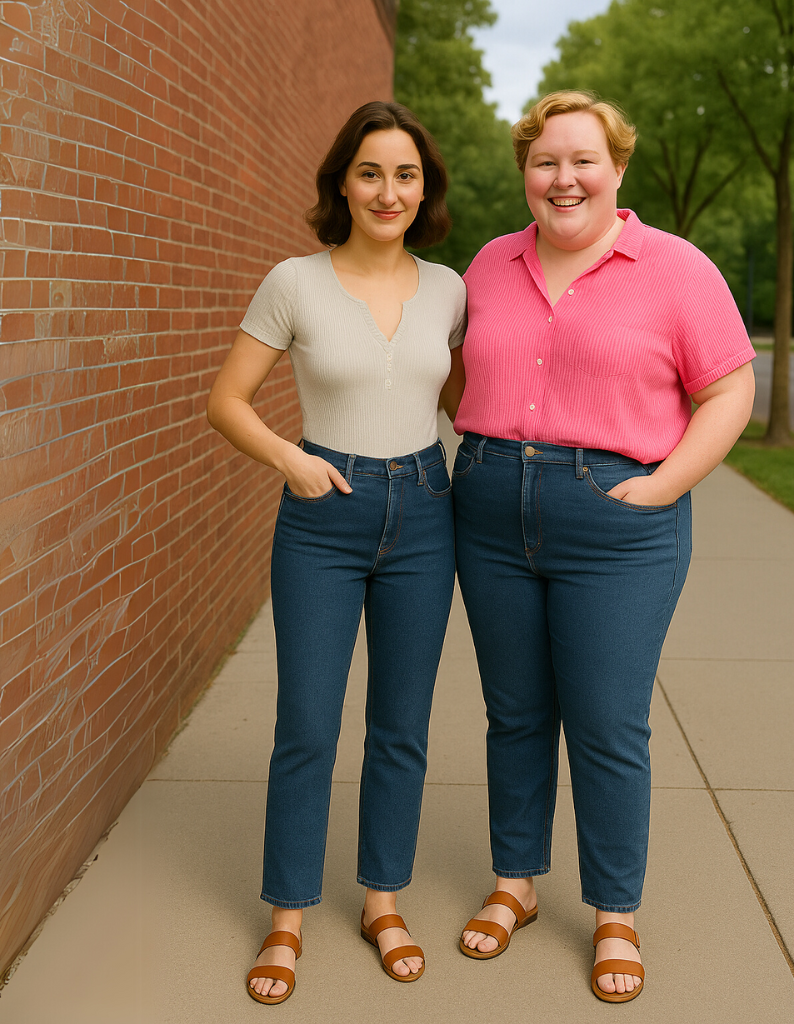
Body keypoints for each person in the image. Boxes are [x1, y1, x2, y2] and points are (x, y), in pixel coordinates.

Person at [452, 91, 756, 1003]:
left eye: (583, 160)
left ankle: (615, 911)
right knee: (513, 711)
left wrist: (663, 486)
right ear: (525, 173)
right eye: (545, 162)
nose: (564, 178)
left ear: (618, 169)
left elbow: (731, 391)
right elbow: (461, 372)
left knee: (606, 721)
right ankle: (516, 884)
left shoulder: (675, 268)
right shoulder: (489, 264)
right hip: (492, 506)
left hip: (617, 517)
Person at [207, 101, 467, 1004]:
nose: (388, 191)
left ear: (423, 187)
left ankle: (382, 899)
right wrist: (292, 458)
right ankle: (287, 916)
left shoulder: (450, 290)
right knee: (308, 726)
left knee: (400, 727)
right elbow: (228, 400)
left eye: (405, 174)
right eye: (370, 172)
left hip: (427, 514)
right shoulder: (295, 282)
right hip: (323, 515)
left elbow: (471, 404)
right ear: (341, 184)